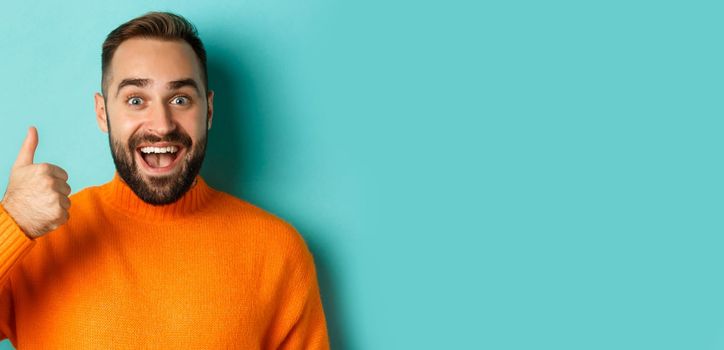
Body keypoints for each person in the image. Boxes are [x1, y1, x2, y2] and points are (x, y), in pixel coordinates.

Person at [0, 11, 330, 349]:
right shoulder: (38, 243)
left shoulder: (277, 252)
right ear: (102, 113)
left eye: (180, 99)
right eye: (135, 100)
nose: (161, 124)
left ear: (209, 111)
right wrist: (11, 222)